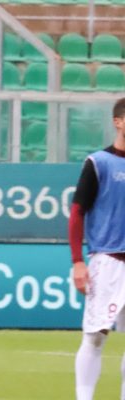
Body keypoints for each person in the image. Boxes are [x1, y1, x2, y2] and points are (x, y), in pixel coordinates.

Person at [70, 98, 125, 400]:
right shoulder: (98, 163)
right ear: (117, 121)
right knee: (95, 337)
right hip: (108, 260)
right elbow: (77, 212)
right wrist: (78, 261)